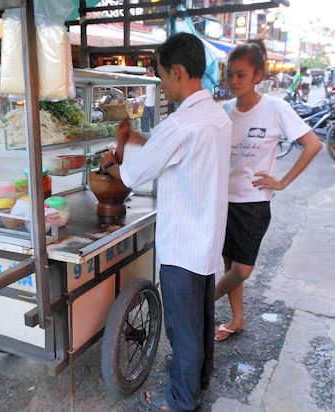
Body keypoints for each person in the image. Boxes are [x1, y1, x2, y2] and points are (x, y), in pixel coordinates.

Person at [100, 33, 231, 411]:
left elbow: (132, 176)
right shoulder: (214, 117)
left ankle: (181, 401)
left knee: (183, 329)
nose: (161, 84)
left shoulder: (181, 125)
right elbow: (167, 150)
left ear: (177, 71)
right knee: (202, 320)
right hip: (207, 239)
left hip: (183, 244)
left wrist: (115, 157)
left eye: (160, 76)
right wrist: (138, 139)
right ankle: (199, 380)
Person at [213, 40, 322, 342]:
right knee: (229, 264)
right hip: (224, 201)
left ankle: (204, 303)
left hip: (254, 204)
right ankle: (237, 319)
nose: (233, 81)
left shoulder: (276, 108)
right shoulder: (224, 111)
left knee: (242, 270)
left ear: (258, 75)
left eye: (241, 75)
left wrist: (283, 181)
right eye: (229, 74)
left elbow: (313, 144)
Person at [141, 66, 157, 133]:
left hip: (153, 103)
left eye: (148, 73)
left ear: (152, 72)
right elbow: (141, 86)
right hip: (145, 103)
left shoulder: (155, 79)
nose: (147, 74)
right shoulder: (144, 77)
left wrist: (153, 76)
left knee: (153, 119)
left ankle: (154, 132)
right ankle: (145, 133)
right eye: (146, 73)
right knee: (145, 119)